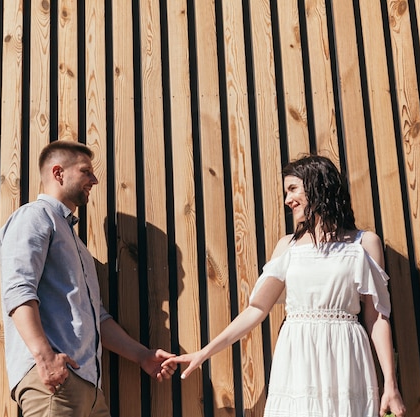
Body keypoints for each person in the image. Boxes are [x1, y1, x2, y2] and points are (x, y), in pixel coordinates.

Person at [163, 155, 406, 417]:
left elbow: (377, 316)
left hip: (346, 354)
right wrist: (204, 353)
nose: (288, 200)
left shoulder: (364, 243)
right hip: (297, 353)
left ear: (318, 185)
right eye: (286, 192)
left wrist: (390, 384)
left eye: (293, 189)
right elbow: (256, 309)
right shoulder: (288, 246)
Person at [0, 140, 177, 417]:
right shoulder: (34, 217)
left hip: (90, 390)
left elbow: (98, 319)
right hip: (55, 383)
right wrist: (45, 358)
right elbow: (18, 289)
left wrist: (143, 356)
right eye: (86, 171)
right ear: (58, 173)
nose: (94, 180)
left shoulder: (76, 244)